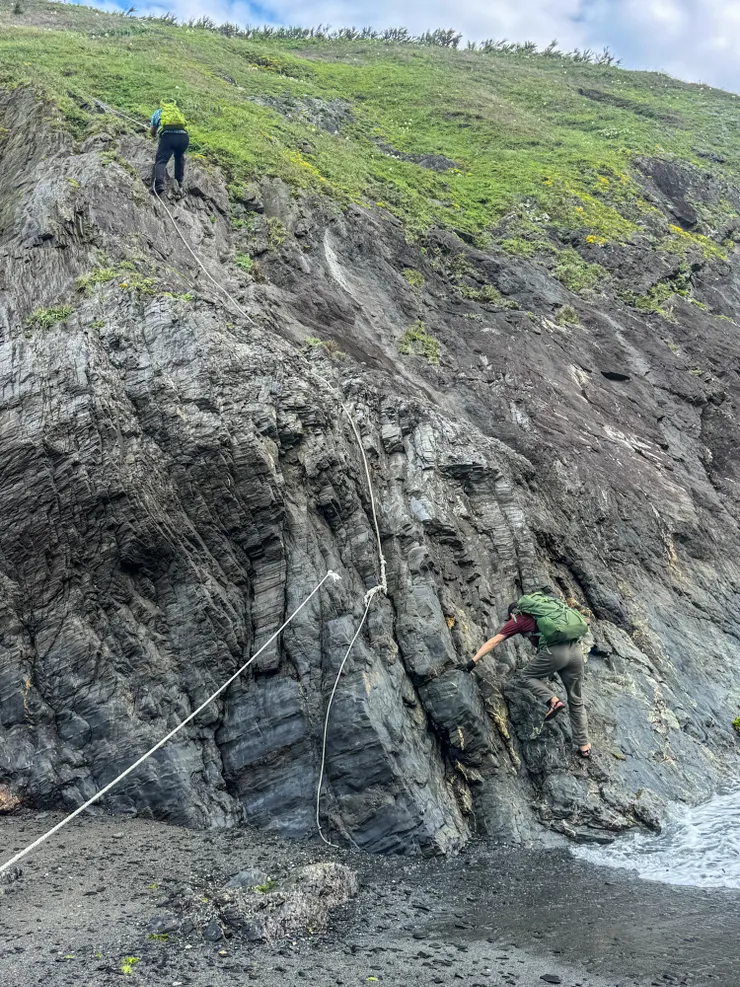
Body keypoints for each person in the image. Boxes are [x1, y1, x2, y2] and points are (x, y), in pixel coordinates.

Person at [465, 587, 591, 757]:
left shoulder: (518, 619)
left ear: (513, 613)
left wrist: (473, 661)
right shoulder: (549, 611)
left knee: (526, 675)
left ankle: (552, 701)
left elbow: (494, 641)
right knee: (576, 700)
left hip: (556, 653)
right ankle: (584, 747)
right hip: (575, 650)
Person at [149, 99, 189, 196]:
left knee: (161, 160)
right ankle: (179, 182)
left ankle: (159, 185)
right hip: (184, 138)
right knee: (179, 157)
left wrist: (154, 134)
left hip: (168, 137)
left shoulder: (158, 112)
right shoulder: (177, 112)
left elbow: (152, 131)